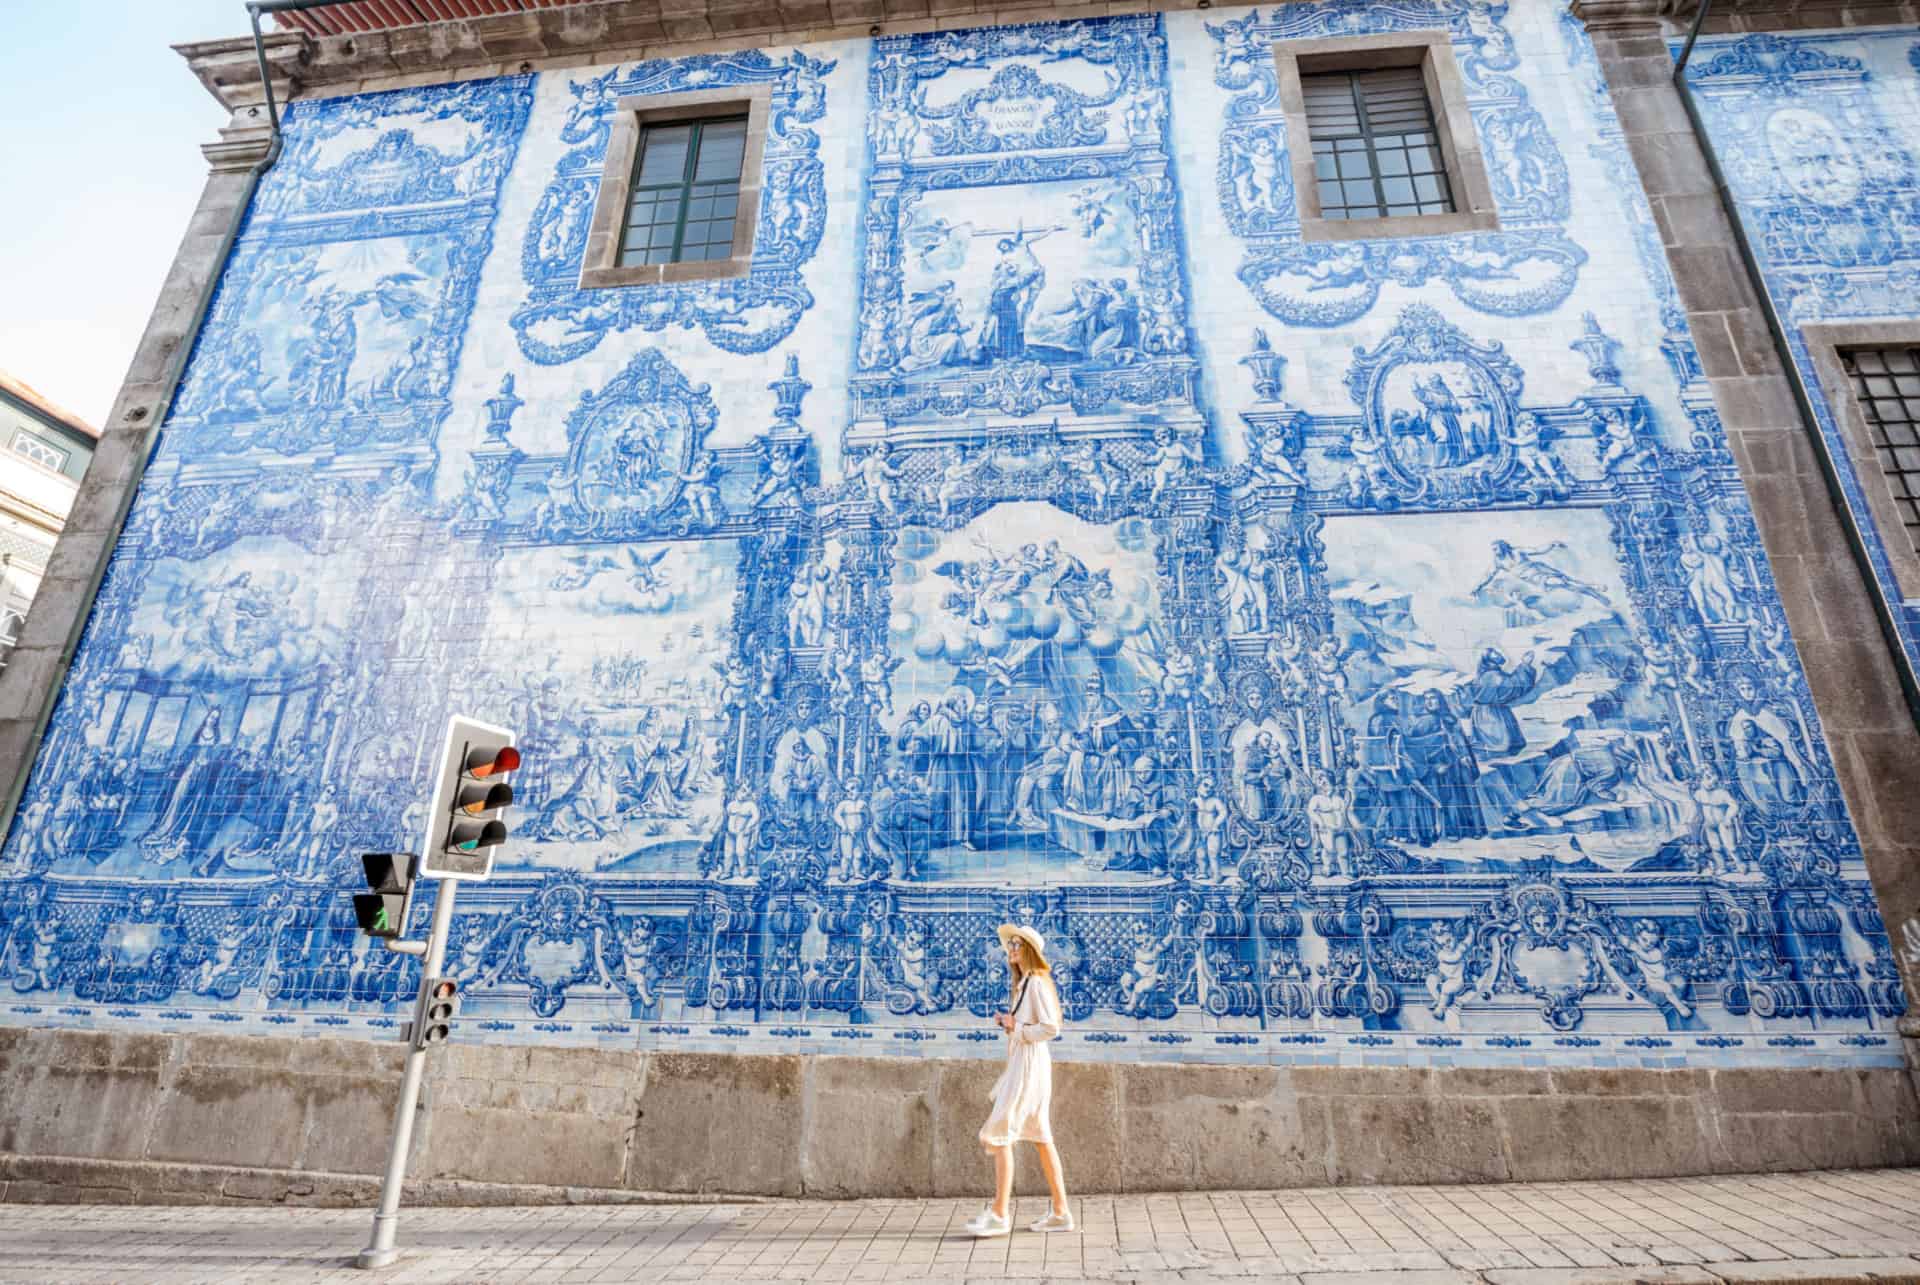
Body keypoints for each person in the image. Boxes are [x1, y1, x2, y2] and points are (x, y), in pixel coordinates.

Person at [967, 925, 1073, 1238]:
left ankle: (999, 1213)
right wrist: (1011, 1024)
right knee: (1040, 1136)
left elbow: (1051, 1027)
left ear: (1029, 949)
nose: (1010, 950)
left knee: (1000, 1130)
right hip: (1027, 1063)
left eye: (1016, 944)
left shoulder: (1037, 982)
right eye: (1009, 945)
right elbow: (1029, 1026)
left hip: (1029, 1065)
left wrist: (1019, 1027)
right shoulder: (1026, 983)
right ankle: (1060, 1212)